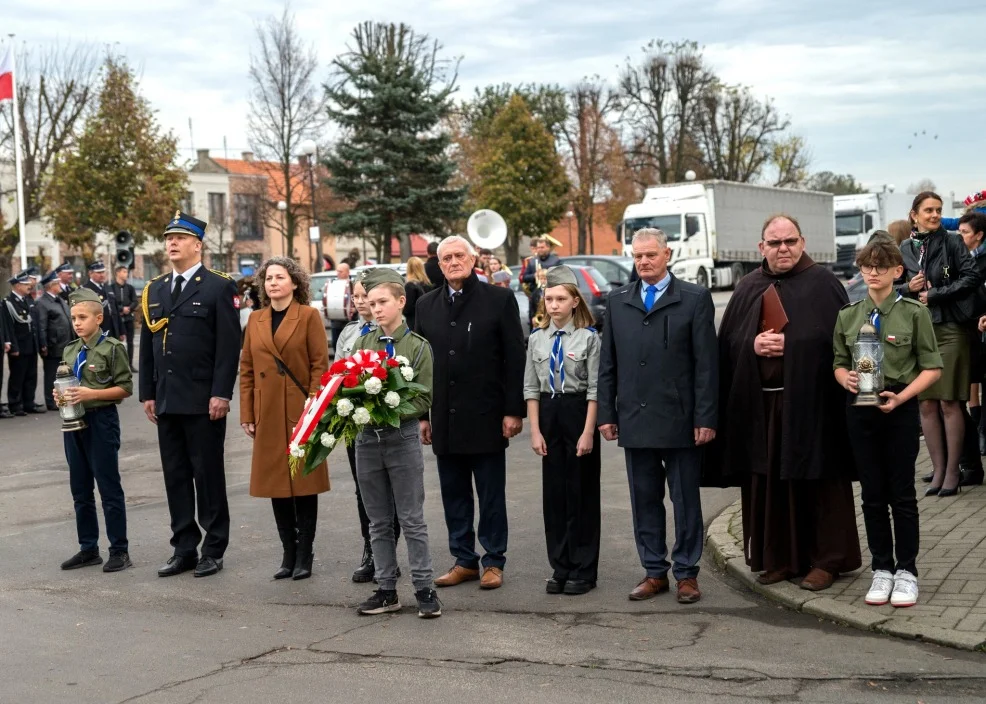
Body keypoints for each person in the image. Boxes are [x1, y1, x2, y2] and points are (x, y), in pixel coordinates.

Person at [716, 214, 861, 591]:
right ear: (761, 247)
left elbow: (839, 344)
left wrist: (790, 345)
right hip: (763, 408)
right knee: (770, 483)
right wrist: (752, 344)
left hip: (813, 406)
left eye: (790, 241)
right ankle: (778, 558)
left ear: (803, 242)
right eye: (775, 243)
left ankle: (826, 561)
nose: (783, 249)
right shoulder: (749, 286)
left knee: (818, 480)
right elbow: (727, 343)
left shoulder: (824, 284)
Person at [597, 228, 717, 604]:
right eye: (637, 256)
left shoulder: (694, 298)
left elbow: (707, 366)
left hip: (681, 421)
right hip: (635, 417)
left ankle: (686, 573)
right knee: (644, 499)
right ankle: (653, 571)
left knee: (685, 500)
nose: (644, 262)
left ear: (667, 254)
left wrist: (706, 417)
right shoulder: (618, 301)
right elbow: (608, 364)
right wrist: (606, 412)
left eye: (650, 255)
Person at [833, 239, 942, 608]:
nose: (873, 272)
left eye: (881, 266)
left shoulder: (914, 313)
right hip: (860, 410)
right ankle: (882, 569)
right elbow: (837, 360)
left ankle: (907, 571)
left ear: (899, 272)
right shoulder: (849, 314)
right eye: (867, 266)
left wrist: (901, 397)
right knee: (872, 494)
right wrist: (844, 377)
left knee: (902, 493)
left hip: (898, 407)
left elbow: (933, 367)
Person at [414, 235, 526, 590]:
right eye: (446, 258)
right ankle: (463, 559)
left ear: (473, 258)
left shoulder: (499, 299)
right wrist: (421, 415)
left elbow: (514, 358)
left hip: (487, 414)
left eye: (459, 255)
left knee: (491, 493)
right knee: (453, 493)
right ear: (439, 263)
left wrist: (513, 410)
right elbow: (418, 365)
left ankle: (494, 560)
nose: (452, 262)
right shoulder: (426, 305)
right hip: (444, 417)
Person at [139, 210, 240, 579]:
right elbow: (149, 346)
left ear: (198, 245)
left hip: (202, 401)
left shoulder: (218, 286)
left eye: (179, 238)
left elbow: (229, 347)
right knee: (176, 475)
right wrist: (147, 392)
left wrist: (221, 393)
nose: (172, 244)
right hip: (167, 399)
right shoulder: (156, 289)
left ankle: (214, 547)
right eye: (169, 238)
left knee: (207, 475)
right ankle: (184, 547)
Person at [352, 267, 441, 619]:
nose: (376, 309)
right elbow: (348, 383)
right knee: (378, 520)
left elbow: (424, 398)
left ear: (401, 302)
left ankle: (424, 588)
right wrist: (359, 408)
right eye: (371, 303)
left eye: (382, 302)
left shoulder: (417, 347)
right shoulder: (363, 344)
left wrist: (390, 405)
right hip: (367, 440)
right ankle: (387, 589)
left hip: (401, 437)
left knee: (411, 517)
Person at [240, 257, 330, 581]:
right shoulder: (255, 319)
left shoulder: (308, 316)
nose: (273, 283)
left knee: (303, 484)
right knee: (276, 485)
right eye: (268, 278)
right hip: (267, 413)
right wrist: (247, 413)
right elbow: (247, 369)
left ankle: (305, 554)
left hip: (300, 410)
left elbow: (320, 366)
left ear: (294, 283)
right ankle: (288, 554)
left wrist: (315, 408)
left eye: (280, 277)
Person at [525, 265, 601, 595]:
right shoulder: (536, 339)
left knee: (581, 492)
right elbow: (531, 387)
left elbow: (595, 388)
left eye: (560, 299)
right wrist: (535, 431)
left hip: (577, 410)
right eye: (549, 299)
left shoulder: (589, 338)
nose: (554, 305)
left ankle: (584, 568)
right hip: (549, 411)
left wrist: (587, 432)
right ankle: (560, 565)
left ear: (574, 302)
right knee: (554, 495)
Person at [901, 192, 981, 497]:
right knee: (926, 403)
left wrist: (936, 294)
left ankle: (952, 473)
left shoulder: (952, 241)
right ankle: (937, 471)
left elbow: (972, 277)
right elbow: (892, 285)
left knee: (949, 401)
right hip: (920, 332)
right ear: (914, 215)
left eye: (938, 210)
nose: (935, 215)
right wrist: (908, 287)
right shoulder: (906, 248)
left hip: (950, 328)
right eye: (929, 210)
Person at [57, 288, 134, 573]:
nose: (77, 323)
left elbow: (125, 387)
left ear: (98, 318)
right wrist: (61, 396)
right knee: (80, 489)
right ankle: (88, 548)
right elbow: (67, 383)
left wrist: (91, 394)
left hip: (101, 421)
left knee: (108, 487)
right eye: (74, 317)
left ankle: (119, 550)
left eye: (83, 317)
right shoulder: (70, 349)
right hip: (72, 422)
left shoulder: (112, 348)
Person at [335, 277, 401, 583]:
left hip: (385, 422)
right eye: (357, 296)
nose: (362, 302)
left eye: (367, 297)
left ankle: (389, 553)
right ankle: (370, 550)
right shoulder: (348, 332)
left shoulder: (386, 331)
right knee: (365, 490)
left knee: (392, 491)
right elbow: (337, 375)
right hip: (356, 424)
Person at [958, 211, 986, 485]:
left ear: (978, 235)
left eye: (965, 232)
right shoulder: (962, 258)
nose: (961, 236)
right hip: (970, 328)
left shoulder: (980, 262)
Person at [2, 271, 44, 415]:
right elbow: (8, 326)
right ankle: (15, 404)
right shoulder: (8, 303)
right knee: (17, 376)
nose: (29, 286)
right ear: (18, 285)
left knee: (31, 375)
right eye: (26, 284)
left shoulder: (27, 300)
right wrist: (13, 345)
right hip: (19, 345)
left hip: (30, 344)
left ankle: (28, 402)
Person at [35, 271, 75, 411]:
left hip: (65, 343)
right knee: (52, 375)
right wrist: (44, 344)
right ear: (51, 286)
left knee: (64, 374)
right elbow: (41, 325)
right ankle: (52, 401)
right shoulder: (43, 302)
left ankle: (63, 398)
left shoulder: (59, 299)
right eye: (57, 283)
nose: (60, 286)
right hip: (53, 344)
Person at [82, 261, 123, 341]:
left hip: (113, 329)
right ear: (90, 273)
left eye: (103, 272)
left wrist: (121, 331)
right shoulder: (86, 289)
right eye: (99, 272)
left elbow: (116, 310)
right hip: (97, 330)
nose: (102, 275)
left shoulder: (107, 287)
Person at [111, 266, 138, 372]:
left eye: (127, 271)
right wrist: (121, 309)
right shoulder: (111, 287)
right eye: (124, 271)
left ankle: (130, 364)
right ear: (117, 273)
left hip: (128, 318)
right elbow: (111, 302)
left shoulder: (130, 288)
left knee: (130, 342)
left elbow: (135, 301)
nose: (126, 274)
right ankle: (117, 366)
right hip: (117, 319)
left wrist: (129, 308)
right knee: (116, 342)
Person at [403, 256, 431, 331]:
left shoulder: (410, 286)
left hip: (414, 323)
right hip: (428, 322)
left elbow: (407, 309)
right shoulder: (428, 285)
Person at [329, 263, 352, 350]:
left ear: (347, 272)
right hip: (336, 320)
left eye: (341, 271)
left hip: (350, 320)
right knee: (336, 343)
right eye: (337, 271)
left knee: (349, 343)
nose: (338, 273)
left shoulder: (353, 283)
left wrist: (355, 309)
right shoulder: (333, 284)